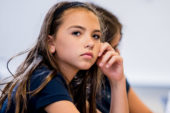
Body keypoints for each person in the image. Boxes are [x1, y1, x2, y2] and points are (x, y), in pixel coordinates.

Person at [0, 1, 129, 113]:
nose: (90, 43)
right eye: (76, 33)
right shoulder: (44, 80)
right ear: (51, 43)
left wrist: (117, 81)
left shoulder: (70, 86)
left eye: (95, 36)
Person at [90, 3, 153, 113]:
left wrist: (119, 81)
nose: (117, 53)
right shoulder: (80, 88)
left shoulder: (109, 77)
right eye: (114, 47)